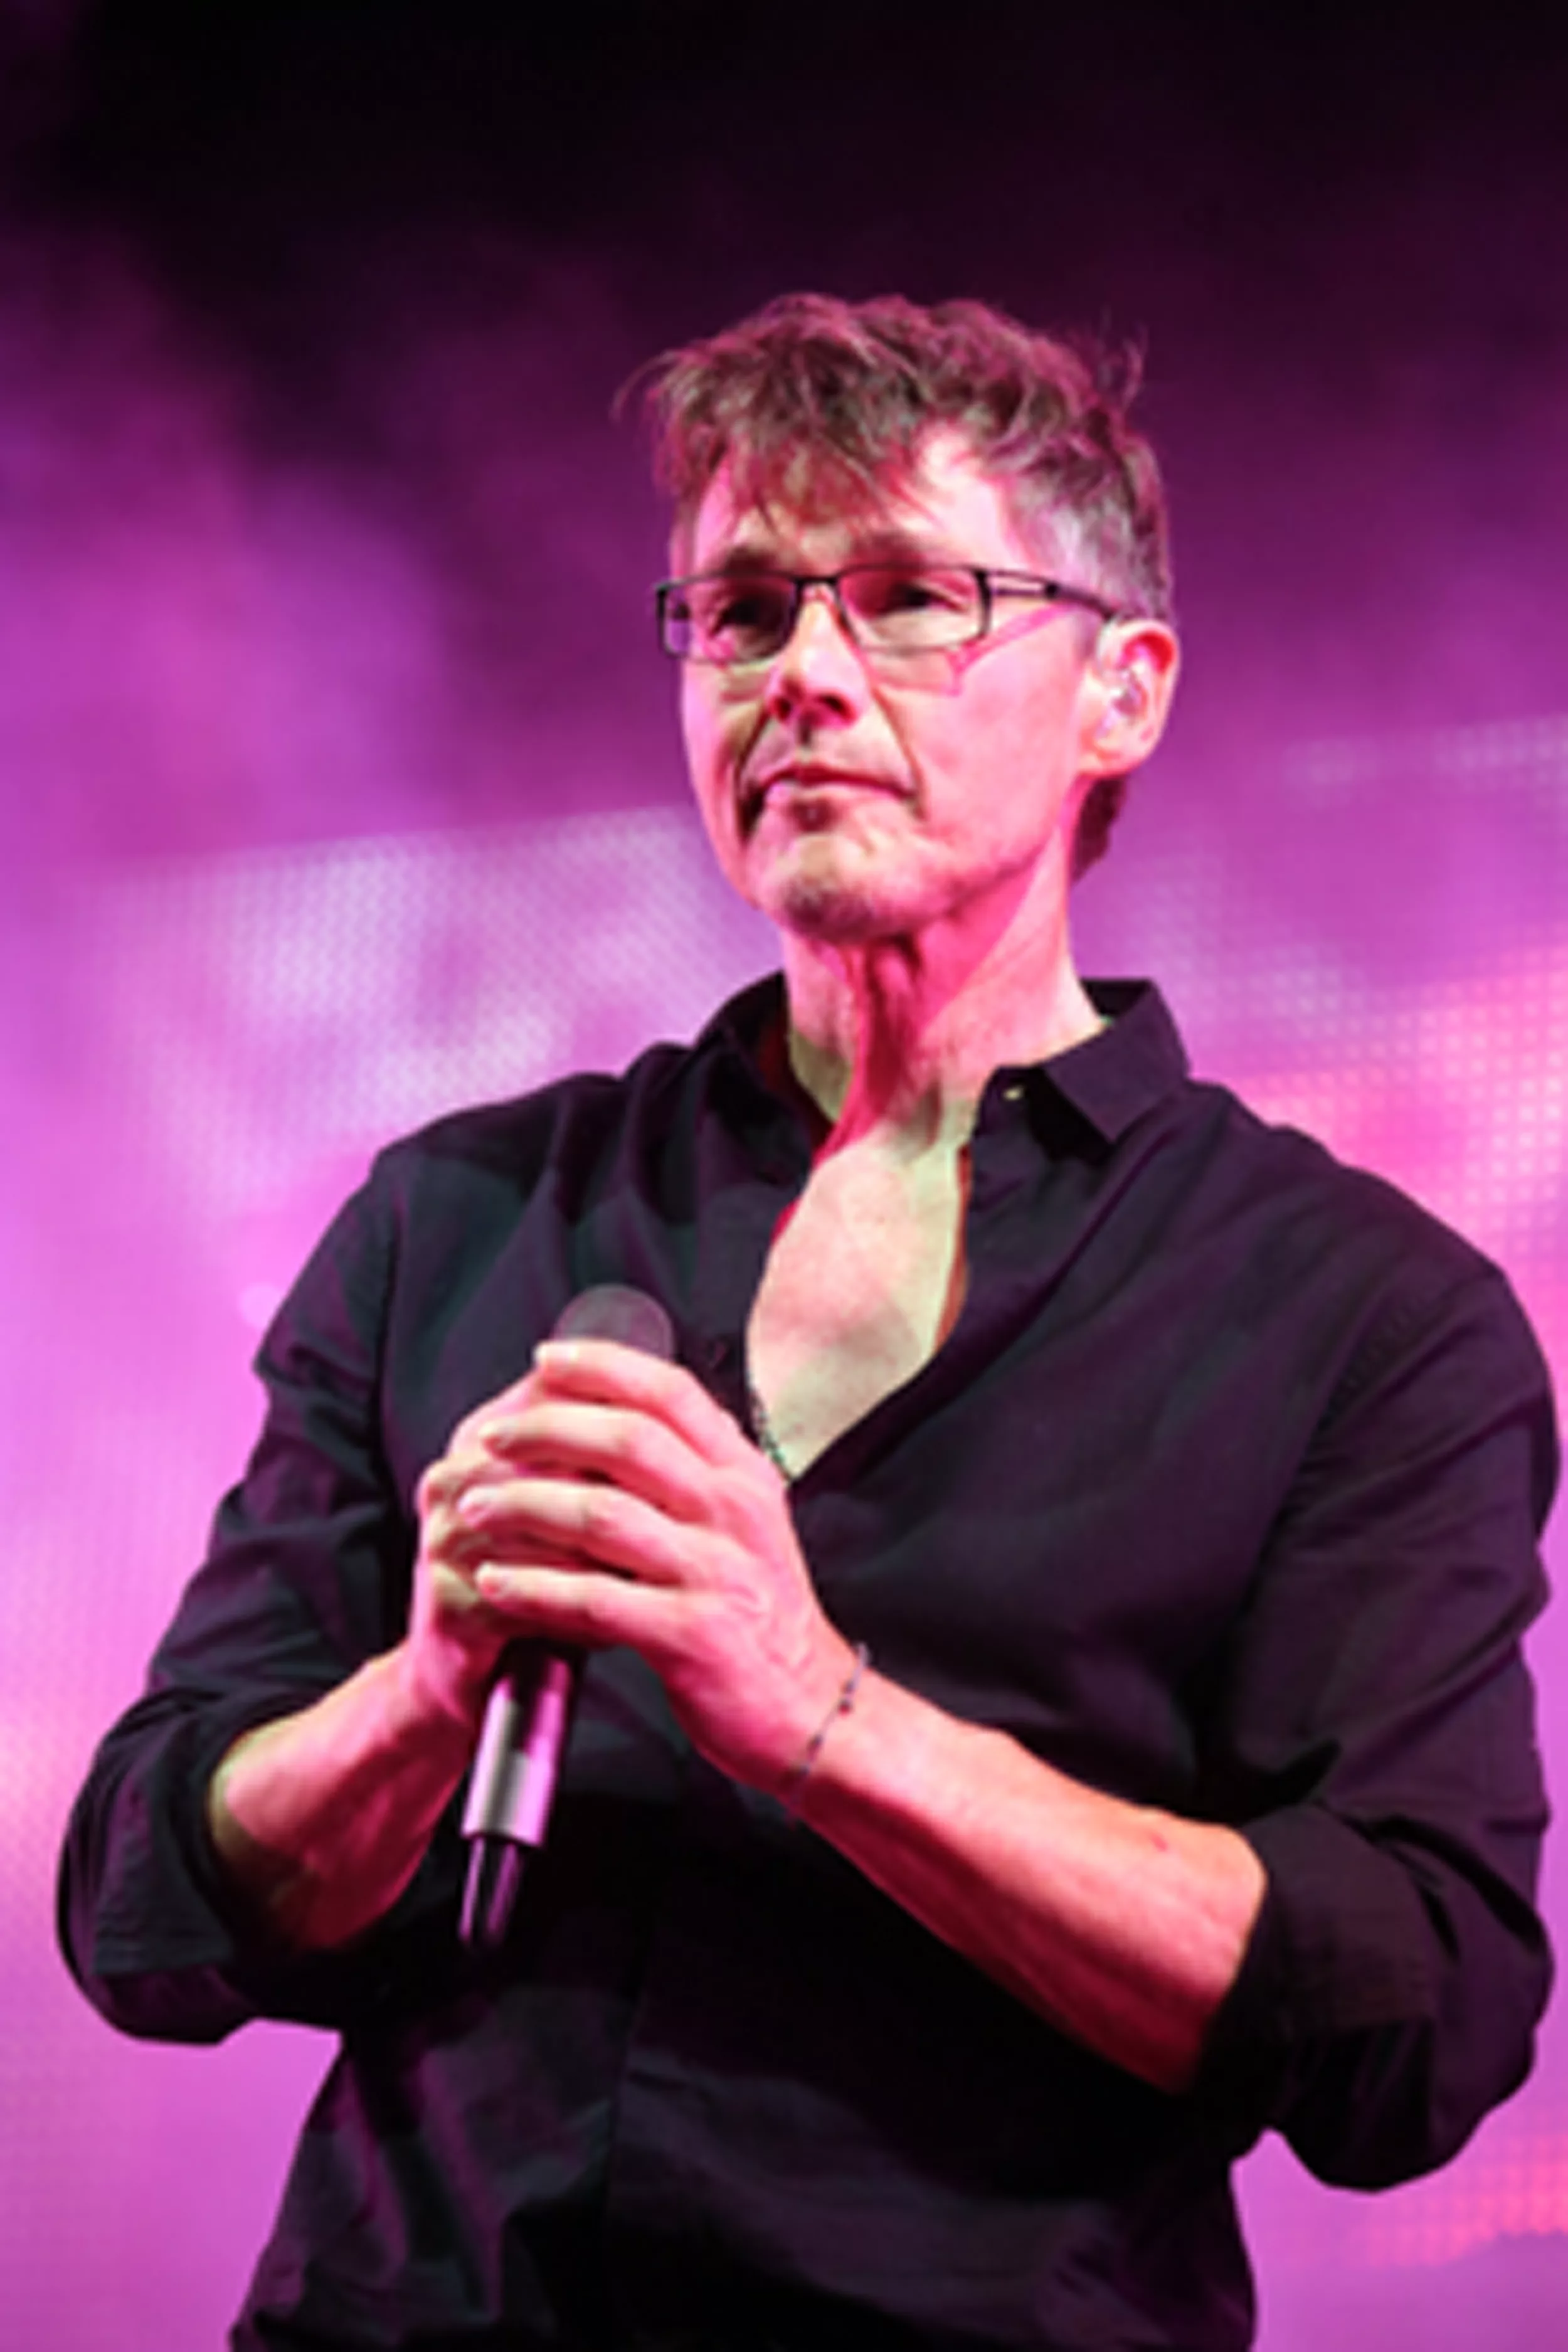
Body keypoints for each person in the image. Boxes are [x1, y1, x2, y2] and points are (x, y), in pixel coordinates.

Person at [60, 294, 1555, 2351]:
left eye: (913, 598)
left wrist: (821, 1716)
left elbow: (1413, 2019)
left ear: (1119, 692)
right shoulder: (456, 1218)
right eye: (743, 612)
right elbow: (143, 1905)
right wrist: (413, 1699)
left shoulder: (1362, 1315)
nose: (805, 678)